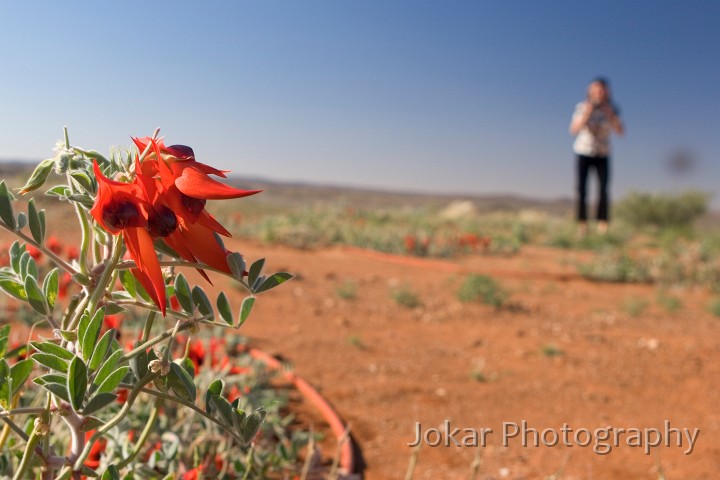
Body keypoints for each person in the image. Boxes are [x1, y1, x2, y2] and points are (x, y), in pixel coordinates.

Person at [569, 77, 624, 235]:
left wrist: (610, 113)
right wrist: (588, 112)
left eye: (602, 90)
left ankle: (603, 225)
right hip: (583, 151)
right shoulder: (582, 107)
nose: (599, 93)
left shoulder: (613, 109)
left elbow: (620, 131)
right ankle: (582, 225)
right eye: (595, 89)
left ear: (607, 92)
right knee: (581, 189)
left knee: (603, 190)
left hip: (603, 153)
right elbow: (574, 129)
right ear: (590, 91)